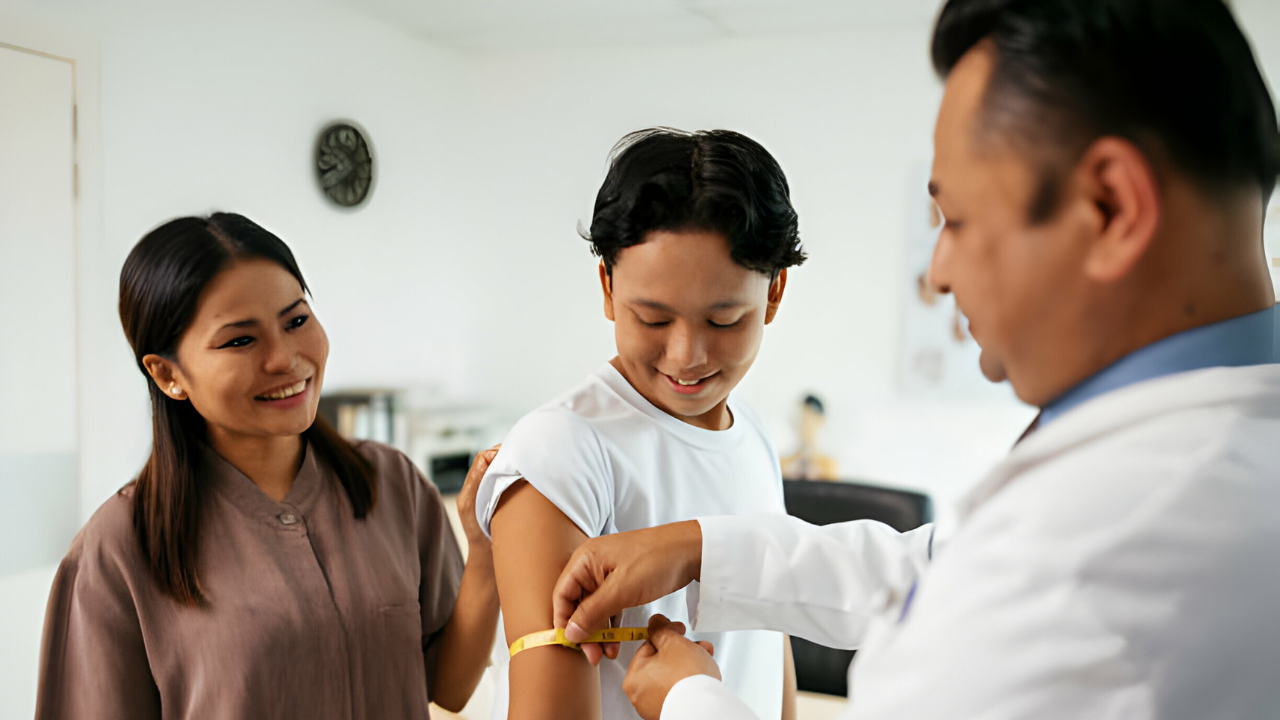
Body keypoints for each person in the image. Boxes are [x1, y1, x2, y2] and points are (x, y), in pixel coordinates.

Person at [550, 1, 1280, 718]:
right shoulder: (1202, 462)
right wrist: (704, 549)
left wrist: (688, 698)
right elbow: (939, 569)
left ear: (1114, 208)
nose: (938, 272)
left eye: (956, 220)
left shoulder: (1109, 541)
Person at [35, 213, 501, 719]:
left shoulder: (390, 484)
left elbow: (448, 688)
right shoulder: (119, 549)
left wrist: (484, 549)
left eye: (296, 320)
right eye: (240, 340)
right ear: (168, 374)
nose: (284, 358)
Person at [472, 128, 806, 720]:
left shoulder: (752, 434)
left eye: (724, 320)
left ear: (774, 291)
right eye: (652, 317)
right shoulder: (561, 452)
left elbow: (768, 634)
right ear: (606, 286)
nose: (687, 356)